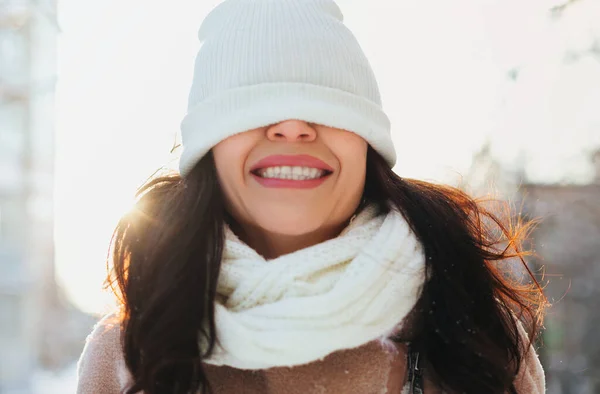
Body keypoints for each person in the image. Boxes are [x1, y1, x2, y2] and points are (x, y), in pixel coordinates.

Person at [76, 0, 548, 393]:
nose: (293, 126)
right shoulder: (130, 353)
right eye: (252, 104)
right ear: (208, 148)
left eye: (327, 103)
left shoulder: (480, 334)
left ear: (368, 143)